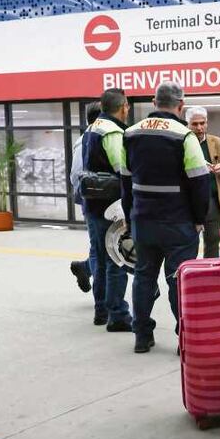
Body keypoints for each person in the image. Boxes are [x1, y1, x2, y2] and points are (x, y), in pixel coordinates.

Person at [121, 81, 212, 354]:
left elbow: (125, 182)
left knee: (143, 277)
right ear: (181, 105)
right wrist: (199, 220)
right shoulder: (185, 137)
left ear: (153, 101)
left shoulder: (131, 133)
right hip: (178, 224)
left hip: (142, 221)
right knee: (178, 281)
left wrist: (129, 217)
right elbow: (200, 183)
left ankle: (142, 336)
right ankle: (183, 338)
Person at [81, 93, 133, 331]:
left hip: (92, 203)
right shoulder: (112, 132)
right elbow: (121, 169)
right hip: (110, 207)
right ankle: (118, 315)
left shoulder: (93, 127)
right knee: (116, 261)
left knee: (100, 260)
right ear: (123, 108)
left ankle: (100, 310)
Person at [186, 106, 220, 258]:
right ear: (187, 124)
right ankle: (191, 275)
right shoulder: (183, 141)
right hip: (190, 202)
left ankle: (210, 273)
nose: (199, 128)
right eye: (195, 124)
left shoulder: (216, 141)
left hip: (213, 199)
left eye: (202, 123)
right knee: (190, 242)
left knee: (213, 241)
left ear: (207, 123)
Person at [68, 102, 101, 297]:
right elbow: (76, 175)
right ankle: (102, 298)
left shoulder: (91, 138)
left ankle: (85, 268)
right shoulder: (86, 140)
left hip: (97, 200)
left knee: (103, 247)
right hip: (95, 200)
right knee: (99, 247)